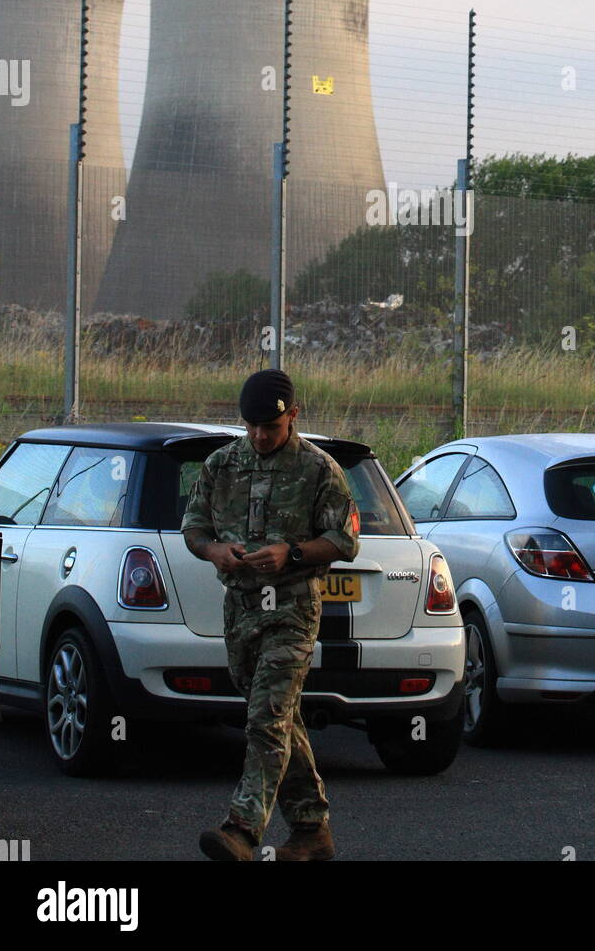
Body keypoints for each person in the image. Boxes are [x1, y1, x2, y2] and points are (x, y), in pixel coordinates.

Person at [182, 368, 360, 862]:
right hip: (239, 609)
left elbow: (344, 541)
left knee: (266, 718)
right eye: (252, 426)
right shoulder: (221, 464)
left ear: (293, 417)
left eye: (272, 427)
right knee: (280, 719)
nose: (261, 435)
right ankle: (310, 831)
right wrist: (214, 550)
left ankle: (241, 829)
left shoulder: (319, 469)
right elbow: (194, 526)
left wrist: (294, 554)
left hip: (292, 608)